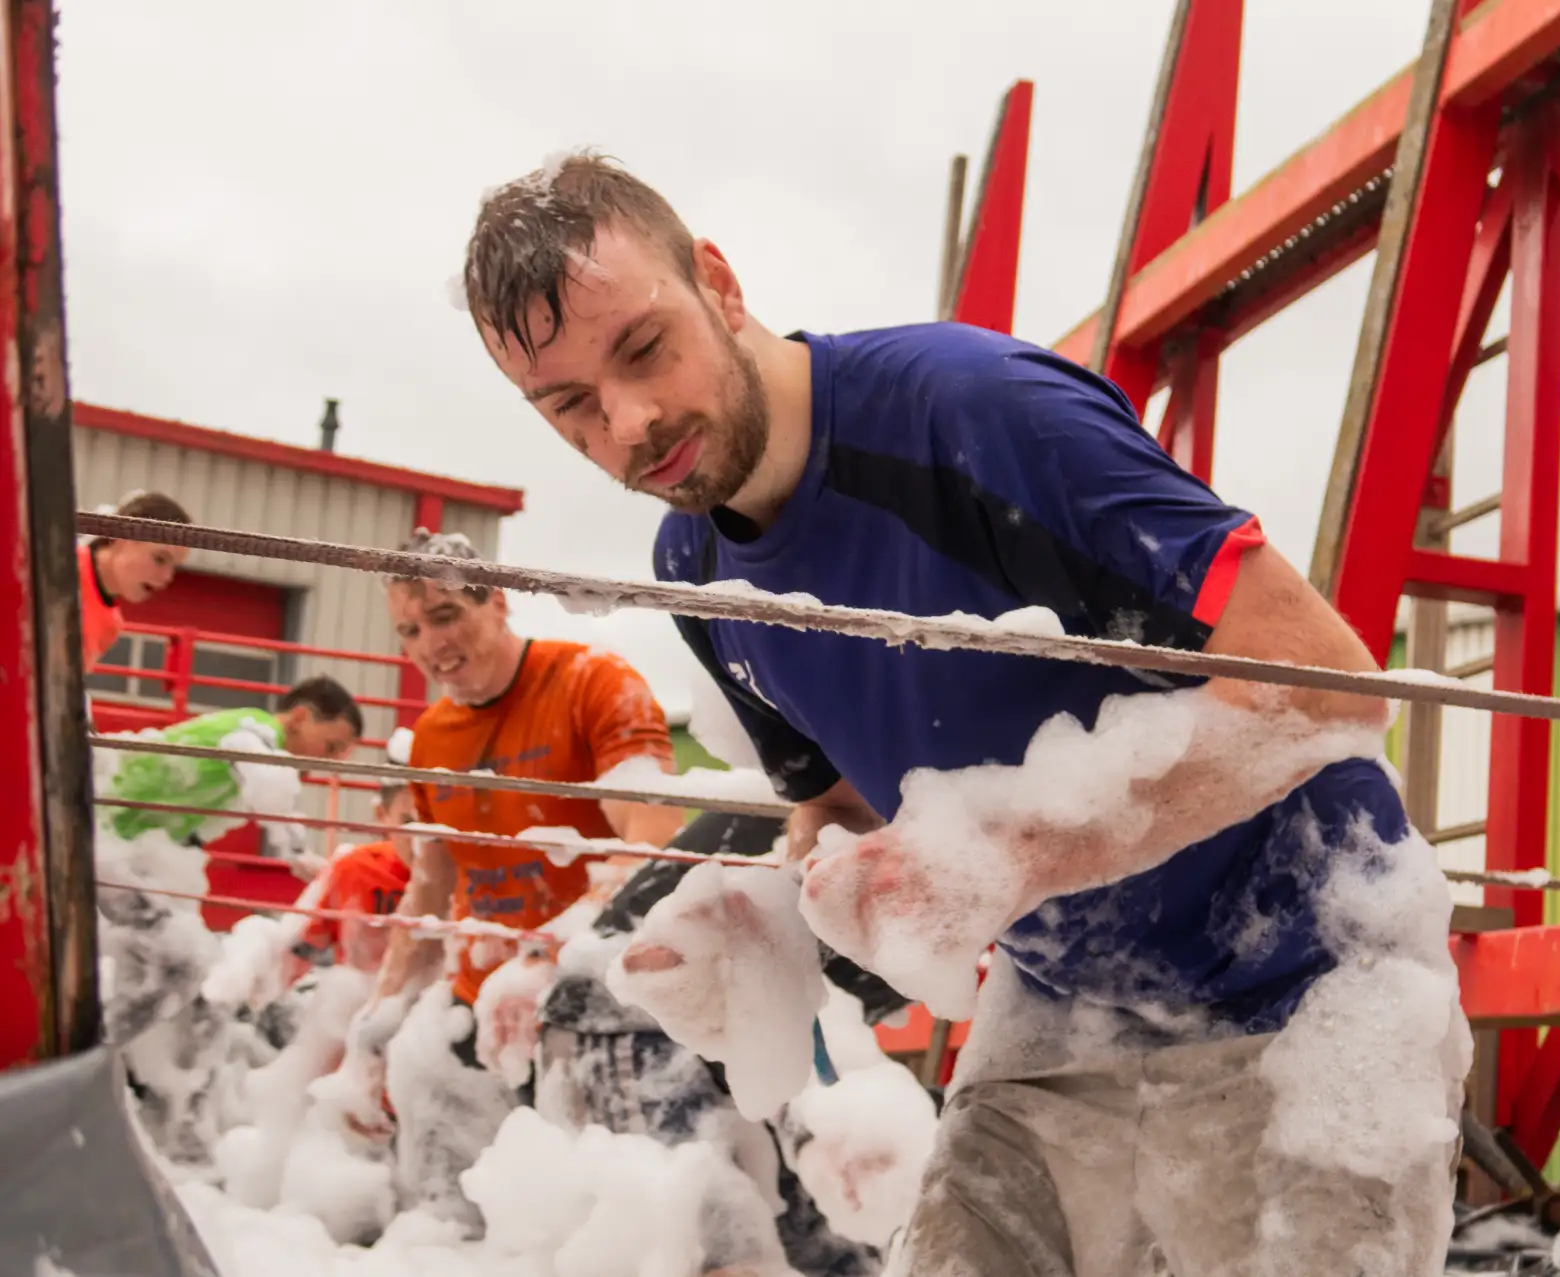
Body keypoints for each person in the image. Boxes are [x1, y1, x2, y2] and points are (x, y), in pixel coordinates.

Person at [457, 153, 1471, 1275]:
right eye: (571, 407)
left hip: (1306, 980)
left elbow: (1323, 683)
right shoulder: (693, 570)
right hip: (1062, 1015)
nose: (630, 422)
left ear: (718, 282)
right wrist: (774, 926)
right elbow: (845, 810)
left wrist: (1016, 854)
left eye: (645, 347)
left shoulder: (976, 414)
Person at [342, 529, 685, 1227]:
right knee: (448, 1227)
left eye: (445, 616)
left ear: (497, 601)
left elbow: (652, 837)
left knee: (606, 1223)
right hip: (477, 1009)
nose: (431, 644)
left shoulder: (593, 681)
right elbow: (430, 885)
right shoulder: (430, 738)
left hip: (587, 1002)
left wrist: (545, 960)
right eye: (409, 630)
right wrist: (376, 1020)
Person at [102, 674, 365, 847]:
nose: (328, 763)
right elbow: (268, 788)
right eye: (331, 747)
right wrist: (297, 850)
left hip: (122, 830)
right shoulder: (257, 731)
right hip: (106, 812)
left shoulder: (255, 751)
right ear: (299, 718)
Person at [292, 781, 416, 975]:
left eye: (435, 822)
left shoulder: (462, 876)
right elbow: (306, 949)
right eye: (408, 822)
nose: (422, 838)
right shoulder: (354, 868)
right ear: (382, 814)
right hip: (360, 987)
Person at [80, 490, 193, 671]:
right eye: (159, 559)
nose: (167, 577)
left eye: (174, 567)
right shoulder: (60, 567)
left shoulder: (110, 625)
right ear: (123, 537)